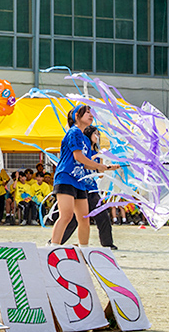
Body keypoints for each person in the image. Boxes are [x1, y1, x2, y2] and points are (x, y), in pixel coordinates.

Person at [50, 105, 118, 246]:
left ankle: (84, 249)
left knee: (84, 219)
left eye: (91, 113)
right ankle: (53, 246)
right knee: (66, 215)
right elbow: (78, 157)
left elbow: (85, 164)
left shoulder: (85, 140)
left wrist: (105, 167)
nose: (91, 115)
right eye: (87, 112)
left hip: (79, 181)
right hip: (66, 177)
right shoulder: (74, 131)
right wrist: (98, 166)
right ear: (77, 116)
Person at [61, 125, 116, 249]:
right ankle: (56, 242)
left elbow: (99, 174)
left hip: (92, 189)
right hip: (80, 187)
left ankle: (107, 243)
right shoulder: (84, 150)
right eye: (95, 133)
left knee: (102, 215)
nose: (98, 136)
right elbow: (84, 162)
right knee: (73, 220)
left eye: (99, 134)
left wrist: (108, 167)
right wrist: (96, 159)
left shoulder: (97, 153)